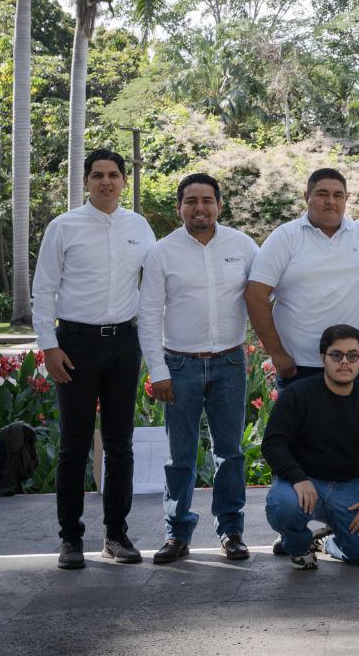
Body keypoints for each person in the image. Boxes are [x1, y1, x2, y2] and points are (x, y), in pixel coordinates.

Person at [32, 148, 157, 570]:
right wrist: (49, 346)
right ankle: (70, 540)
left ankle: (116, 536)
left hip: (123, 344)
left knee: (121, 444)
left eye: (114, 175)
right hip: (75, 344)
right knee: (74, 445)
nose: (107, 181)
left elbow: (154, 288)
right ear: (86, 181)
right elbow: (43, 289)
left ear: (124, 181)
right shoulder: (63, 227)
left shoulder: (139, 227)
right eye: (98, 175)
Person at [138, 173, 258, 563]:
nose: (200, 208)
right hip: (180, 365)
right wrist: (158, 371)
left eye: (207, 200)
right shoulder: (162, 252)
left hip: (229, 362)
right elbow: (149, 313)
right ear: (180, 207)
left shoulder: (242, 246)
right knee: (180, 456)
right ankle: (177, 534)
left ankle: (231, 531)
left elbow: (264, 295)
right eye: (191, 201)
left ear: (219, 205)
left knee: (231, 453)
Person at [246, 167, 359, 392]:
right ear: (306, 197)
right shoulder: (285, 237)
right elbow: (255, 294)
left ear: (347, 199)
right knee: (302, 429)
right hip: (300, 367)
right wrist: (276, 353)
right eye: (322, 194)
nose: (331, 201)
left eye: (338, 195)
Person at [262, 325, 359, 570]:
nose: (344, 362)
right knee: (283, 506)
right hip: (302, 485)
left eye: (352, 356)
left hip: (347, 487)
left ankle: (328, 542)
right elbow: (273, 443)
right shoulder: (298, 395)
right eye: (336, 355)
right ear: (323, 357)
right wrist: (298, 478)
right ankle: (299, 546)